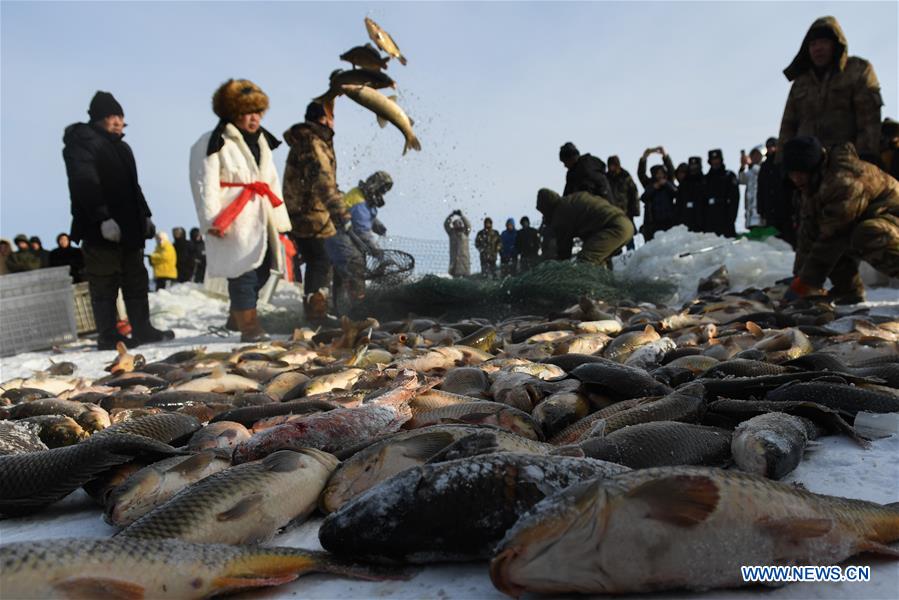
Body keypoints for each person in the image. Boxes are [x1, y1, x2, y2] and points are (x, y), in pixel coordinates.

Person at [63, 91, 173, 349]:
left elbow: (134, 187)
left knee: (136, 279)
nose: (116, 121)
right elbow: (83, 182)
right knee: (105, 282)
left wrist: (145, 216)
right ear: (97, 119)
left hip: (130, 227)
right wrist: (102, 217)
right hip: (99, 228)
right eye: (110, 116)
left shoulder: (122, 148)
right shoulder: (82, 143)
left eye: (119, 116)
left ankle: (142, 328)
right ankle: (108, 334)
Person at [189, 79, 291, 342]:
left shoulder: (262, 141)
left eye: (258, 111)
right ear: (233, 113)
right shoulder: (212, 141)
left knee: (263, 269)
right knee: (242, 271)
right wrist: (212, 220)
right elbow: (204, 182)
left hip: (260, 213)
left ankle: (236, 318)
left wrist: (280, 220)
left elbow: (272, 180)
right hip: (232, 215)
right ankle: (249, 327)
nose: (254, 117)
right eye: (248, 112)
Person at [783, 136, 898, 304]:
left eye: (800, 173)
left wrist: (807, 282)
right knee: (826, 233)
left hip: (892, 222)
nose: (796, 178)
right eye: (792, 173)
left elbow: (833, 236)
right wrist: (798, 277)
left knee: (866, 233)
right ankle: (848, 291)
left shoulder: (844, 181)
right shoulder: (814, 183)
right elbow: (808, 233)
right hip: (868, 221)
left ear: (812, 166)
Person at [779, 16, 883, 165]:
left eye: (824, 42)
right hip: (808, 170)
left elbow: (869, 120)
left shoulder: (857, 70)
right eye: (813, 44)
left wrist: (866, 158)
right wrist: (783, 163)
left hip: (846, 164)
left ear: (836, 44)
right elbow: (787, 126)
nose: (818, 48)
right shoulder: (801, 82)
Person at [283, 101, 350, 320]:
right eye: (331, 115)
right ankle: (317, 314)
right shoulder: (314, 142)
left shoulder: (306, 140)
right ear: (324, 118)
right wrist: (339, 210)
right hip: (309, 212)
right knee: (320, 259)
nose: (333, 120)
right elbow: (323, 180)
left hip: (304, 210)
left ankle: (317, 310)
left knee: (318, 259)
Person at [536, 189, 634, 266]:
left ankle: (589, 291)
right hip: (625, 225)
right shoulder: (571, 200)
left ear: (546, 207)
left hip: (614, 228)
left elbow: (564, 249)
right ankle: (607, 288)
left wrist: (559, 270)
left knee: (585, 260)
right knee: (600, 260)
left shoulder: (560, 212)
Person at [758, 136, 796, 247]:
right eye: (769, 147)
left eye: (773, 146)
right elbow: (761, 190)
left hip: (785, 210)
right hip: (769, 211)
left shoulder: (784, 164)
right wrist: (761, 209)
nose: (771, 149)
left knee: (788, 239)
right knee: (772, 241)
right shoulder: (764, 167)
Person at [345, 170, 392, 257]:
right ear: (375, 186)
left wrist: (378, 226)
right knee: (356, 264)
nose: (383, 193)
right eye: (382, 190)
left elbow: (366, 216)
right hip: (338, 241)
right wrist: (377, 251)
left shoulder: (359, 193)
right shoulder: (359, 202)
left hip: (339, 237)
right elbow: (362, 231)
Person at [638, 148, 678, 239]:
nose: (659, 175)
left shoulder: (669, 183)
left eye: (661, 173)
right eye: (657, 173)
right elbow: (641, 174)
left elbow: (672, 171)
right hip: (653, 223)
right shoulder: (649, 184)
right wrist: (644, 158)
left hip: (669, 221)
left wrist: (665, 155)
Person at [704, 149, 740, 237]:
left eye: (717, 159)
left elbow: (735, 199)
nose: (715, 162)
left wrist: (731, 219)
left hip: (726, 220)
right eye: (713, 160)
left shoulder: (729, 176)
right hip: (709, 222)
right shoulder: (705, 179)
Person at [606, 155, 639, 249]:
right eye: (610, 165)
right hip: (611, 212)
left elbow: (634, 194)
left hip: (626, 212)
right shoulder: (606, 178)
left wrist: (635, 211)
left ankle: (631, 255)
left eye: (613, 165)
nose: (611, 167)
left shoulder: (625, 177)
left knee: (629, 237)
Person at [739, 146, 766, 231]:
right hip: (750, 212)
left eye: (758, 155)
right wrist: (743, 166)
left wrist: (750, 164)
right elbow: (741, 179)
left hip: (760, 213)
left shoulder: (765, 169)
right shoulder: (751, 172)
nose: (755, 158)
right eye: (753, 155)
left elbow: (759, 172)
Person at [444, 209, 471, 277]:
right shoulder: (451, 233)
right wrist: (451, 215)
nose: (457, 225)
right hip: (454, 262)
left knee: (466, 278)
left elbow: (468, 225)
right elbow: (446, 224)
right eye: (455, 223)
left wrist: (462, 216)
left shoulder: (465, 233)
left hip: (464, 261)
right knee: (454, 277)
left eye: (459, 223)